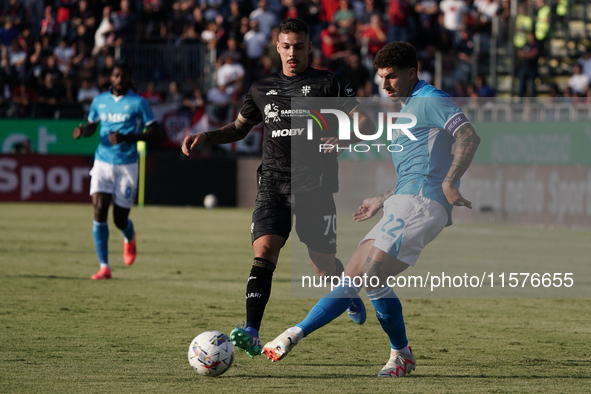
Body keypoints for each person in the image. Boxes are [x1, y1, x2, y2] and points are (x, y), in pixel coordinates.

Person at [261, 41, 481, 378]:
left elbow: (469, 136)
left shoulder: (431, 99)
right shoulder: (408, 109)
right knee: (351, 278)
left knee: (372, 277)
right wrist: (382, 197)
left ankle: (400, 355)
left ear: (412, 72)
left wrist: (451, 180)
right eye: (381, 77)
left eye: (392, 77)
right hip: (403, 200)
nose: (385, 85)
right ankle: (295, 333)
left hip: (423, 203)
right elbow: (417, 168)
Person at [181, 18, 374, 358]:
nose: (292, 53)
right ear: (277, 47)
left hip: (315, 185)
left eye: (299, 46)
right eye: (286, 46)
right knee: (265, 251)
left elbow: (365, 122)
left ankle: (349, 295)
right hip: (272, 183)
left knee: (322, 264)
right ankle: (251, 331)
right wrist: (207, 137)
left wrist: (343, 137)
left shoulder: (328, 83)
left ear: (309, 47)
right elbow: (240, 128)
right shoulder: (260, 88)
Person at [72, 63, 161, 280]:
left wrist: (126, 138)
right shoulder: (99, 101)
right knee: (99, 209)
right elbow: (93, 125)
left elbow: (154, 132)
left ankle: (129, 237)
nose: (119, 78)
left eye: (123, 75)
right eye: (116, 75)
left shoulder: (139, 102)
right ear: (110, 78)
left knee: (119, 219)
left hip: (127, 164)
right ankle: (104, 266)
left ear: (129, 79)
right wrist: (84, 131)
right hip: (103, 161)